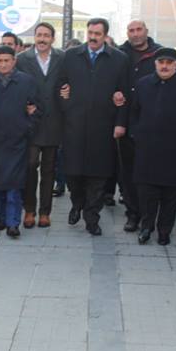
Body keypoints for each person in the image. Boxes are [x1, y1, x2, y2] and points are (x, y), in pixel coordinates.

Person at [59, 17, 130, 235]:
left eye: (97, 34)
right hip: (74, 126)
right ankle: (77, 203)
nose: (92, 37)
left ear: (105, 36)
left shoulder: (119, 59)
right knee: (73, 174)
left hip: (103, 127)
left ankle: (92, 217)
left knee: (98, 177)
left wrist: (120, 123)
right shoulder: (71, 56)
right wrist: (64, 98)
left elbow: (124, 94)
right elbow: (60, 86)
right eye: (90, 32)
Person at [130, 47, 176, 245]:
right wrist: (136, 134)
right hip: (147, 150)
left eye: (169, 63)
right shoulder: (143, 84)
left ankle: (165, 231)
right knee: (147, 193)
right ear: (155, 64)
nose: (164, 66)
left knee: (170, 196)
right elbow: (134, 113)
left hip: (175, 150)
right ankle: (146, 227)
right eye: (161, 62)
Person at [0, 45, 41, 238]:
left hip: (16, 139)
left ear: (14, 61)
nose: (3, 64)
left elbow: (37, 110)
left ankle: (13, 223)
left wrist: (26, 127)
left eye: (7, 60)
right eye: (0, 61)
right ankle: (2, 217)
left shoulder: (26, 82)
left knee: (13, 182)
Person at [16, 22, 65, 228]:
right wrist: (24, 106)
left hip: (54, 122)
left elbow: (68, 82)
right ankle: (29, 210)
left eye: (46, 35)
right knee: (30, 166)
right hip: (31, 122)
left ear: (53, 38)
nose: (42, 39)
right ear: (34, 37)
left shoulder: (63, 58)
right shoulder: (22, 59)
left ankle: (45, 212)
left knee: (49, 170)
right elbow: (16, 87)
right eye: (39, 35)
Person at [117, 19, 162, 232]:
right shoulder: (119, 54)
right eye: (131, 30)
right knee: (129, 173)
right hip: (126, 122)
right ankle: (132, 213)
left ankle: (149, 215)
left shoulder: (160, 54)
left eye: (139, 30)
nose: (135, 34)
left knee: (151, 174)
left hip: (153, 124)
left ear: (146, 31)